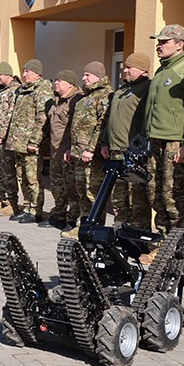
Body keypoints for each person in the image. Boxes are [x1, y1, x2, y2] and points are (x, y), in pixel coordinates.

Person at [143, 24, 184, 236]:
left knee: (174, 198)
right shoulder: (162, 71)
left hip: (175, 143)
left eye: (164, 42)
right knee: (155, 195)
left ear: (180, 45)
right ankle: (163, 242)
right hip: (155, 141)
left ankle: (179, 251)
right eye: (158, 42)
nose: (158, 46)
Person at [101, 52, 152, 228]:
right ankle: (119, 226)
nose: (125, 70)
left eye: (130, 67)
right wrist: (105, 142)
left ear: (143, 70)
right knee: (118, 194)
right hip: (115, 151)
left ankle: (138, 233)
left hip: (132, 152)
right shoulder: (121, 90)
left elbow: (146, 121)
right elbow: (110, 119)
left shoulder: (146, 89)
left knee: (136, 196)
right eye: (125, 66)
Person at [64, 61, 113, 236]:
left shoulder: (105, 95)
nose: (84, 78)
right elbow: (76, 126)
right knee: (81, 191)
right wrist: (72, 148)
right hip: (78, 154)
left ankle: (95, 228)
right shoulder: (84, 96)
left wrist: (91, 149)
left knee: (93, 193)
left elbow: (103, 125)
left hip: (92, 156)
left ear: (98, 77)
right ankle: (84, 225)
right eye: (83, 74)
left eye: (88, 75)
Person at [6, 59, 53, 223]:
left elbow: (42, 118)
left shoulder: (42, 90)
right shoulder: (23, 90)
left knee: (33, 178)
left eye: (28, 71)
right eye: (24, 71)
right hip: (19, 143)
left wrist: (35, 141)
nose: (24, 74)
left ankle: (35, 210)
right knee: (22, 177)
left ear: (37, 73)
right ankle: (27, 206)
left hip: (31, 145)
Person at [46, 71, 81, 230]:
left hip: (67, 152)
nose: (56, 83)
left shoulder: (75, 100)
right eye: (55, 80)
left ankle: (72, 219)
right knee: (57, 186)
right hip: (55, 151)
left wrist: (71, 148)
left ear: (70, 84)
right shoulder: (56, 100)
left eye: (60, 81)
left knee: (71, 188)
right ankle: (59, 214)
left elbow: (77, 128)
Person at [0, 62, 21, 217]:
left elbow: (10, 115)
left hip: (6, 139)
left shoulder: (14, 91)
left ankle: (12, 203)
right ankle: (2, 199)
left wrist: (1, 134)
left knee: (8, 172)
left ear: (8, 75)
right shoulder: (0, 91)